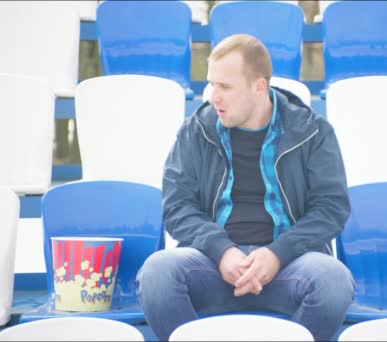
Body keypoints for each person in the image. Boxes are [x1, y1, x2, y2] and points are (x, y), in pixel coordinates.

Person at [137, 34, 355, 341]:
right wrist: (222, 251)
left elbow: (332, 208)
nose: (213, 96)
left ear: (259, 86)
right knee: (157, 273)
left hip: (290, 266)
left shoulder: (313, 131)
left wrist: (278, 254)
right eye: (211, 84)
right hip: (212, 265)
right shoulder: (194, 131)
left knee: (333, 281)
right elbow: (177, 206)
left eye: (224, 86)